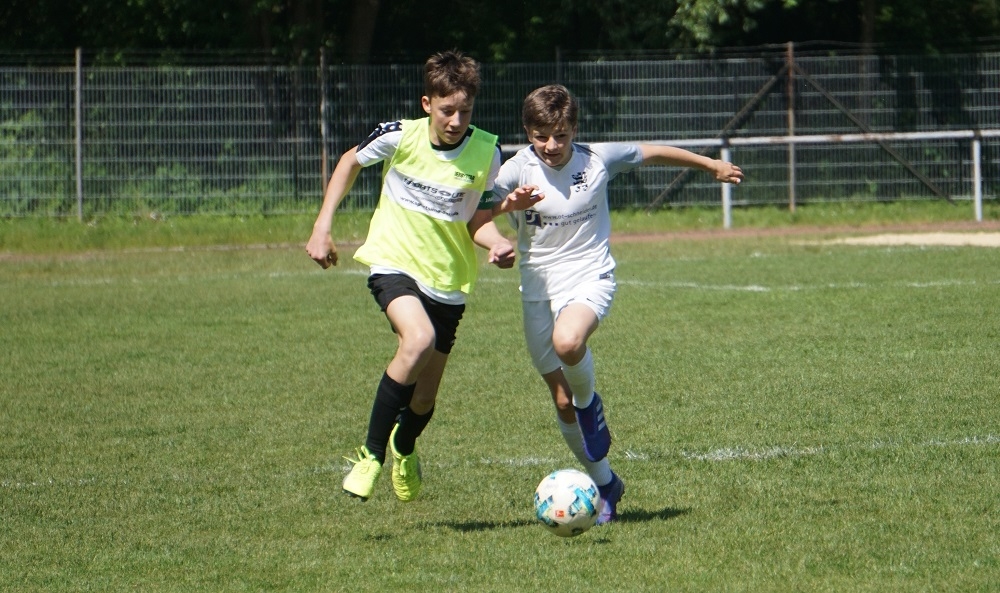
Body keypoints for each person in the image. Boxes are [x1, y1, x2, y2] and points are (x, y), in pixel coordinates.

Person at [493, 84, 744, 524]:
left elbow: (654, 152)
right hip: (536, 289)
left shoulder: (597, 159)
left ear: (574, 130)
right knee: (561, 401)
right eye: (541, 136)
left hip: (590, 276)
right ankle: (606, 484)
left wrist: (710, 165)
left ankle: (590, 404)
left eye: (560, 135)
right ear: (527, 132)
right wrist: (502, 214)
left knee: (568, 342)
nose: (551, 145)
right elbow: (476, 214)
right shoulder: (515, 170)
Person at [305, 50, 542, 503]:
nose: (456, 121)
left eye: (465, 111)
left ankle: (404, 445)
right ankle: (370, 455)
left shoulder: (487, 151)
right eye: (447, 110)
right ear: (427, 103)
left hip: (448, 279)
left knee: (424, 399)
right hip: (393, 262)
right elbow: (349, 162)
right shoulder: (399, 136)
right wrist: (322, 226)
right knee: (417, 339)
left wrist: (496, 242)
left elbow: (476, 219)